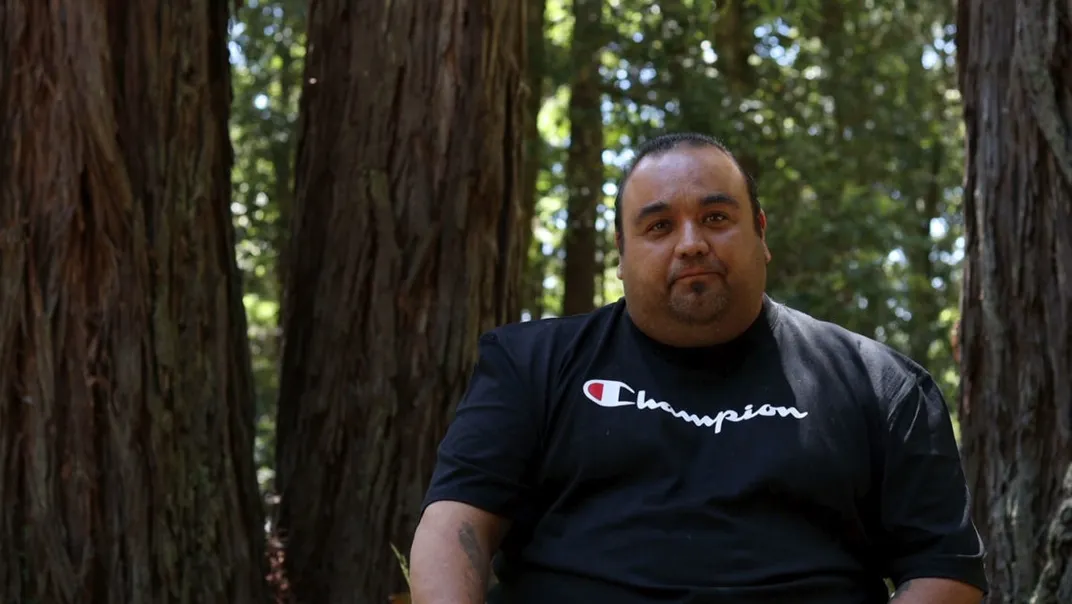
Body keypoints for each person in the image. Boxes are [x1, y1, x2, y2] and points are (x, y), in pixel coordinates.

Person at [408, 132, 988, 604]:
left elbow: (946, 573)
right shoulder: (529, 364)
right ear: (621, 254)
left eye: (715, 217)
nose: (690, 244)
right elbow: (454, 526)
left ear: (761, 233)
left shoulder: (883, 386)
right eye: (659, 226)